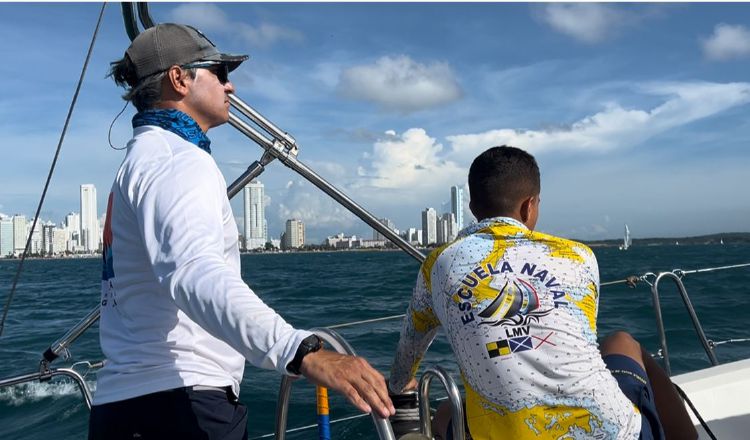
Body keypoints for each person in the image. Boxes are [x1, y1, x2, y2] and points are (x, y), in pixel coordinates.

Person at [89, 23, 394, 439]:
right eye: (220, 72)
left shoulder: (142, 161)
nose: (230, 88)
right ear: (179, 78)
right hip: (180, 405)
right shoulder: (178, 161)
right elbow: (193, 270)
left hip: (127, 407)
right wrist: (300, 350)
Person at [389, 146, 697, 439]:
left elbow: (409, 349)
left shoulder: (438, 263)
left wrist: (402, 385)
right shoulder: (578, 255)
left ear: (472, 208)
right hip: (618, 433)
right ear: (528, 206)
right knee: (621, 341)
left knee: (445, 412)